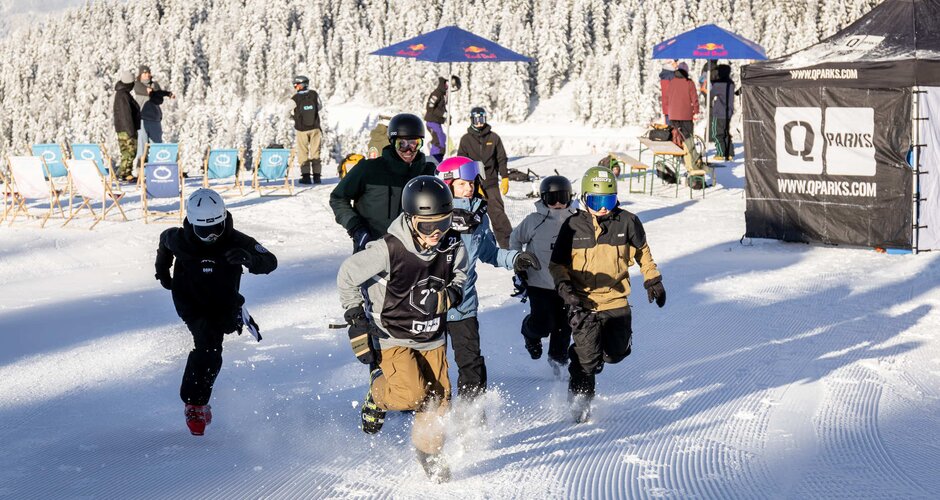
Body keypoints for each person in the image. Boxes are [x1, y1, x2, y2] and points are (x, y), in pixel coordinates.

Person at [336, 175, 467, 482]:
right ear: (410, 220)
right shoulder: (387, 249)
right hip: (393, 335)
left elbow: (461, 277)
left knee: (437, 399)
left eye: (443, 223)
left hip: (432, 336)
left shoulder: (453, 247)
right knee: (410, 395)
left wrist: (450, 296)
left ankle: (429, 454)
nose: (435, 233)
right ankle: (378, 394)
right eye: (426, 226)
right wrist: (357, 321)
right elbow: (347, 275)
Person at [154, 188, 278, 436]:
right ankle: (195, 404)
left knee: (222, 330)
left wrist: (248, 258)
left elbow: (270, 262)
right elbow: (164, 242)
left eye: (216, 230)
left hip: (225, 301)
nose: (211, 237)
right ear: (191, 223)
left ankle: (198, 397)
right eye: (203, 231)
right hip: (190, 302)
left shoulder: (236, 240)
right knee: (209, 344)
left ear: (223, 220)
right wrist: (163, 271)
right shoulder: (178, 238)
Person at [549, 167, 666, 423]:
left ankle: (588, 353)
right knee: (587, 361)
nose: (603, 208)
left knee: (615, 354)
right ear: (584, 198)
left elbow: (642, 252)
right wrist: (565, 287)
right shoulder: (572, 225)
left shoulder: (627, 221)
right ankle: (580, 404)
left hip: (616, 300)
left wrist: (652, 279)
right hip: (583, 302)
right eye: (596, 201)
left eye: (608, 201)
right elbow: (557, 263)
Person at [436, 156, 540, 403]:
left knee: (471, 363)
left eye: (471, 183)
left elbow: (489, 253)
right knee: (432, 366)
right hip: (432, 306)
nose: (469, 188)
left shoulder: (478, 215)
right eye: (462, 184)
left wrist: (515, 259)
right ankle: (430, 418)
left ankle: (471, 418)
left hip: (464, 304)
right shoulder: (432, 215)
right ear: (447, 185)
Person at [330, 113, 437, 253]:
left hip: (413, 253)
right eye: (402, 144)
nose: (409, 150)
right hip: (372, 249)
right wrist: (356, 228)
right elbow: (338, 198)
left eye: (414, 143)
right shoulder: (369, 169)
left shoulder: (426, 174)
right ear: (392, 142)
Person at [510, 175, 578, 376]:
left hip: (567, 284)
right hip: (538, 282)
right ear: (543, 198)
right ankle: (530, 332)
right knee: (544, 324)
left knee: (564, 327)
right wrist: (518, 262)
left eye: (562, 197)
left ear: (570, 197)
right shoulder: (534, 220)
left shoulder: (577, 220)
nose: (557, 203)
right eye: (552, 198)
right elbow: (515, 239)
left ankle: (558, 364)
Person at [456, 107, 513, 249]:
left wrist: (504, 176)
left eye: (481, 119)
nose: (479, 123)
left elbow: (501, 159)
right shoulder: (466, 139)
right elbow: (461, 161)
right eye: (476, 120)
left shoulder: (493, 138)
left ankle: (509, 247)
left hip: (491, 183)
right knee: (470, 215)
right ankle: (471, 245)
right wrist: (468, 182)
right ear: (472, 120)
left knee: (498, 215)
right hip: (473, 184)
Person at [133, 65, 175, 169]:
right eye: (144, 73)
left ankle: (157, 167)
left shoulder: (154, 85)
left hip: (155, 118)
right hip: (142, 118)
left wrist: (167, 94)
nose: (146, 75)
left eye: (148, 73)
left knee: (157, 145)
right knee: (142, 145)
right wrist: (150, 92)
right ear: (140, 75)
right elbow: (141, 90)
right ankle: (140, 169)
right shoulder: (137, 84)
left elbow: (159, 99)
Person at [290, 75, 323, 184]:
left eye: (296, 85)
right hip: (315, 128)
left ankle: (306, 177)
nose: (295, 87)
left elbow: (286, 112)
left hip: (301, 129)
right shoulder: (314, 94)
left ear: (299, 85)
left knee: (303, 152)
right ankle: (317, 177)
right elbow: (320, 107)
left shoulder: (295, 98)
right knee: (315, 152)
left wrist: (294, 118)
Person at [113, 70, 140, 182]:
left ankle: (125, 172)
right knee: (130, 151)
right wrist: (131, 130)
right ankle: (123, 173)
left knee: (126, 152)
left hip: (123, 128)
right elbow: (125, 114)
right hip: (127, 128)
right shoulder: (124, 95)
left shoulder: (122, 94)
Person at [663, 62, 699, 142]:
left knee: (676, 136)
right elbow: (694, 98)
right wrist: (696, 110)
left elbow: (666, 99)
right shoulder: (689, 83)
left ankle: (677, 153)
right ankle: (687, 153)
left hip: (673, 115)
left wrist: (669, 111)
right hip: (686, 115)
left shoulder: (671, 82)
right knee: (687, 137)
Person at [710, 64, 736, 161]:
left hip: (719, 112)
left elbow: (710, 95)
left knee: (717, 133)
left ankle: (721, 153)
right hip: (728, 112)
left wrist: (706, 87)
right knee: (726, 133)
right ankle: (729, 153)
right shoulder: (731, 84)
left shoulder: (718, 85)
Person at [424, 77, 448, 162]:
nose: (447, 86)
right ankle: (434, 161)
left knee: (443, 138)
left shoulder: (443, 95)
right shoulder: (436, 94)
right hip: (431, 121)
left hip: (437, 122)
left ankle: (438, 159)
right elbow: (430, 107)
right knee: (439, 141)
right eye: (446, 84)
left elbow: (442, 108)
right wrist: (443, 114)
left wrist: (447, 117)